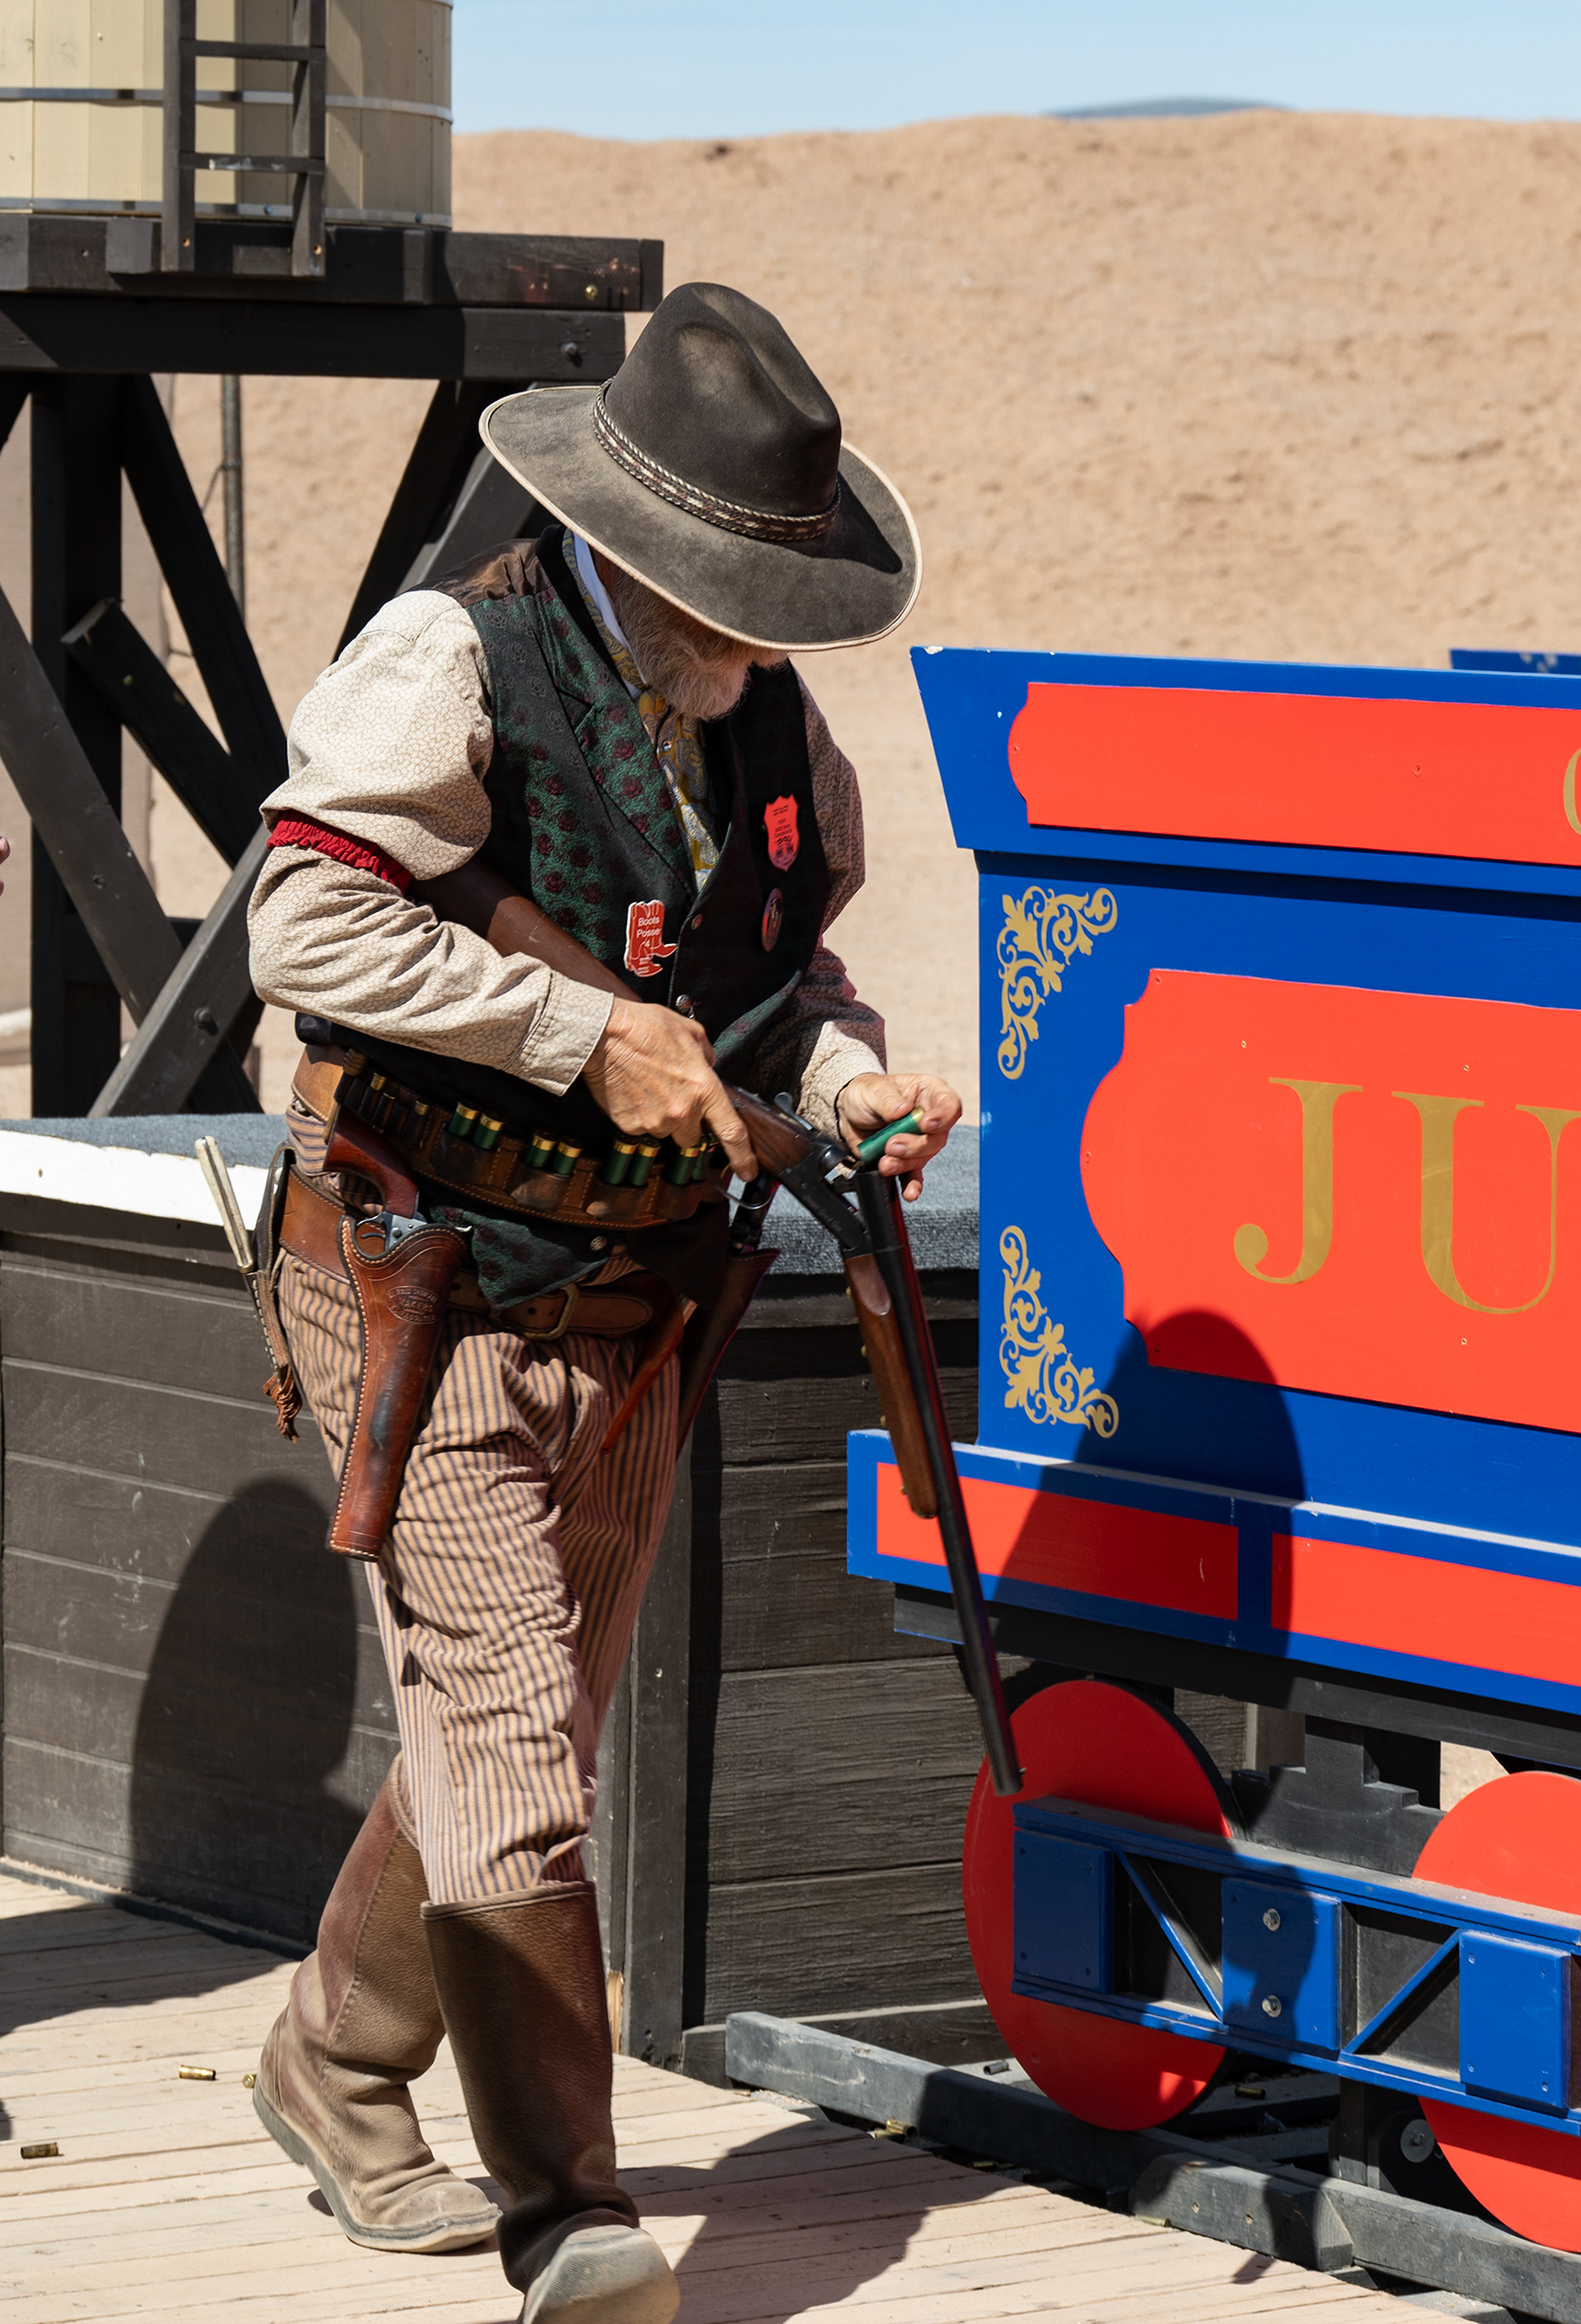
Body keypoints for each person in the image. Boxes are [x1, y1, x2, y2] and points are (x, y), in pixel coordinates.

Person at [244, 282, 958, 2324]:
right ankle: (572, 2222)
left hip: (647, 1303)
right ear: (626, 544)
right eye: (729, 600)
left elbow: (782, 981)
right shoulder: (445, 660)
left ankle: (330, 2067)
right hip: (426, 1280)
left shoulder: (774, 725)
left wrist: (848, 1077)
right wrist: (576, 1033)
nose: (756, 642)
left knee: (516, 1732)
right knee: (511, 1742)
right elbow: (300, 920)